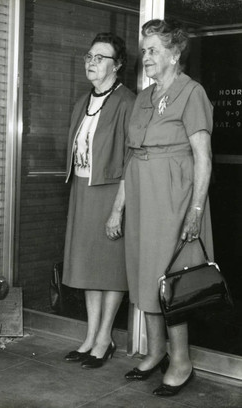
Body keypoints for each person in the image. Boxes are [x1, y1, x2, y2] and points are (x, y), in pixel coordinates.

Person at [124, 19, 213, 397]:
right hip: (143, 196)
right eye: (144, 50)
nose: (146, 56)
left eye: (154, 50)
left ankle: (180, 361)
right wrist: (118, 208)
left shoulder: (191, 93)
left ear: (174, 54)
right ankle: (156, 350)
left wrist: (195, 210)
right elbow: (133, 156)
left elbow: (203, 159)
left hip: (175, 198)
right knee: (146, 275)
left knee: (170, 281)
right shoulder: (143, 97)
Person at [62, 33, 135, 369]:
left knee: (110, 269)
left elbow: (132, 162)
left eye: (100, 58)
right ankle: (91, 336)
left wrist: (118, 210)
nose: (91, 62)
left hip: (110, 192)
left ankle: (105, 337)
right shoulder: (81, 102)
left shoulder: (126, 102)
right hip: (82, 188)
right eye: (89, 56)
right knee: (88, 267)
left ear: (117, 66)